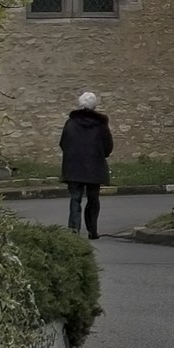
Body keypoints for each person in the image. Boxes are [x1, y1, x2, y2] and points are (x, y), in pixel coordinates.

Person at [58, 91, 112, 238]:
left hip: (73, 167)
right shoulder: (100, 125)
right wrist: (100, 154)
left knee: (75, 198)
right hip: (94, 167)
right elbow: (108, 146)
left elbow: (63, 143)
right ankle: (92, 230)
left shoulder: (70, 123)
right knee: (93, 199)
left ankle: (73, 231)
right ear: (94, 106)